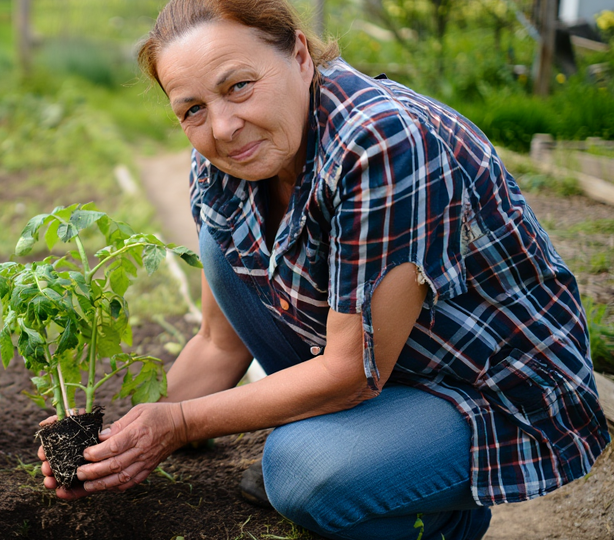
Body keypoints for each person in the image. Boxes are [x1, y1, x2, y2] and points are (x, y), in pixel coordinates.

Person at [35, 1, 611, 539]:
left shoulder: (380, 143)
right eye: (193, 109)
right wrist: (113, 443)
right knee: (222, 242)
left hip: (494, 390)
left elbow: (350, 373)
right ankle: (367, 446)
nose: (224, 127)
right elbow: (217, 343)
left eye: (239, 86)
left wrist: (182, 423)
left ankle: (442, 521)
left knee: (301, 471)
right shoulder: (227, 158)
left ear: (301, 56)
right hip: (387, 363)